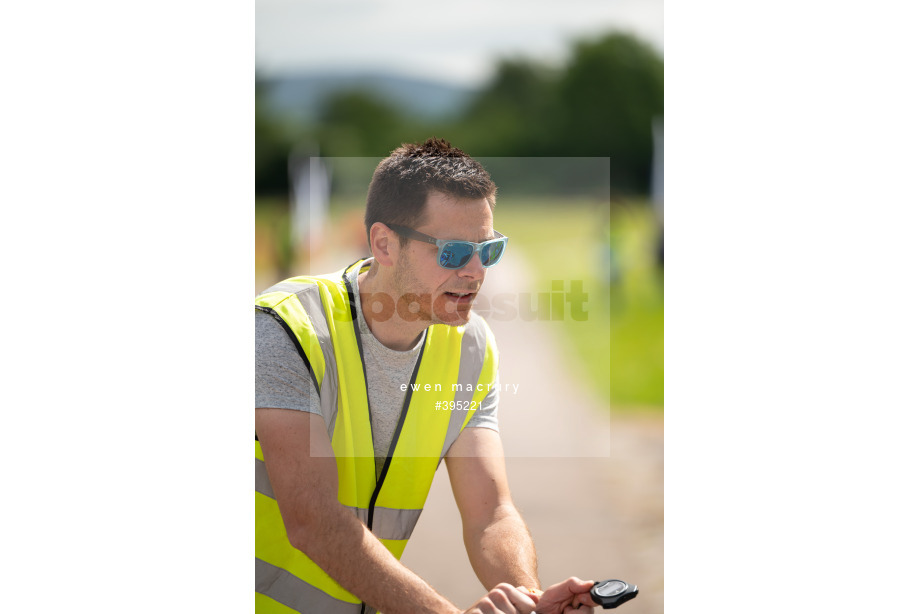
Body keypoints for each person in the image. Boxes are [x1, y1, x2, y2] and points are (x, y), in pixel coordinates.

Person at [255, 138, 599, 613]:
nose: (477, 272)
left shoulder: (470, 348)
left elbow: (490, 512)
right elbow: (314, 521)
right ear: (384, 244)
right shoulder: (285, 328)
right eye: (456, 252)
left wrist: (528, 599)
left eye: (489, 250)